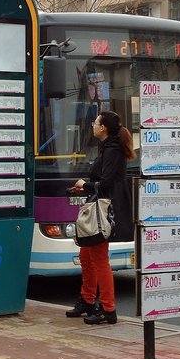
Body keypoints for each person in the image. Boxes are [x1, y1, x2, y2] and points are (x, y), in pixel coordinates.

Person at [66, 110, 135, 325]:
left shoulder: (112, 150)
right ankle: (87, 300)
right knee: (86, 256)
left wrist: (84, 185)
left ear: (103, 128)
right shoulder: (107, 148)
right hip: (98, 206)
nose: (93, 125)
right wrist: (84, 187)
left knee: (99, 258)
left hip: (103, 212)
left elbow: (106, 184)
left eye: (96, 123)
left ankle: (108, 308)